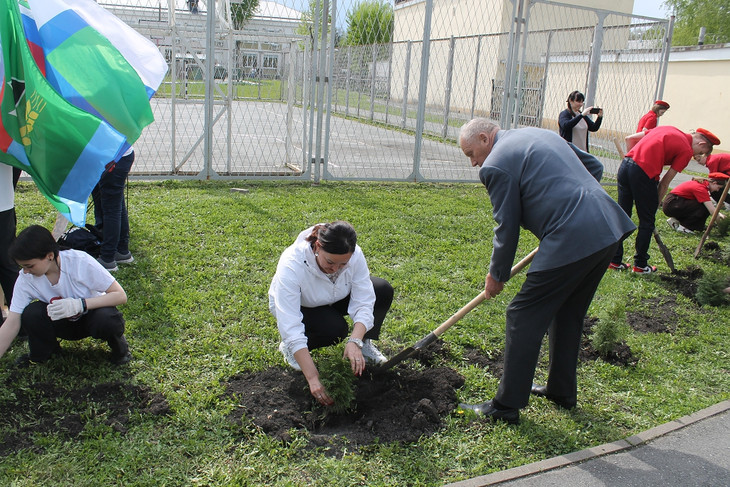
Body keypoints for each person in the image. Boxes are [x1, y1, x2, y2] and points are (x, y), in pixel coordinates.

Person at [456, 118, 635, 424]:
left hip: (572, 236)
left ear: (485, 138)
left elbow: (506, 226)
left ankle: (506, 405)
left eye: (471, 153)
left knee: (522, 315)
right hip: (606, 226)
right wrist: (569, 205)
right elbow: (593, 167)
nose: (473, 163)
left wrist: (496, 274)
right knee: (567, 312)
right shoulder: (536, 134)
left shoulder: (495, 165)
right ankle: (560, 391)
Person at [268, 221, 393, 406]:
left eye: (343, 264)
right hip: (305, 306)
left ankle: (364, 347)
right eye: (330, 262)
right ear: (318, 246)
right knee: (335, 330)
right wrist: (312, 378)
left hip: (335, 296)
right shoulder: (292, 263)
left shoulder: (355, 254)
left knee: (381, 290)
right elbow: (290, 323)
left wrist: (355, 340)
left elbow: (364, 300)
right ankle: (290, 349)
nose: (335, 269)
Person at [0, 225, 131, 366]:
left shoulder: (79, 261)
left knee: (107, 318)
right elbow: (12, 321)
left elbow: (120, 295)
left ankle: (120, 351)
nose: (25, 272)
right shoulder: (26, 279)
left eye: (30, 266)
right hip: (60, 322)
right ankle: (44, 353)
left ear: (50, 256)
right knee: (31, 313)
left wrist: (80, 304)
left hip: (91, 318)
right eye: (22, 267)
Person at [609, 126, 720, 273]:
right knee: (646, 222)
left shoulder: (668, 128)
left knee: (622, 216)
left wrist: (632, 161)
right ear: (702, 144)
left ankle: (614, 260)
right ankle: (640, 265)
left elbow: (630, 139)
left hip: (626, 165)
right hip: (644, 173)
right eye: (700, 152)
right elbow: (665, 183)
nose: (695, 155)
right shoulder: (686, 150)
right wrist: (654, 207)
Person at [91, 147, 135, 272]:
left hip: (113, 160)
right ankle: (122, 251)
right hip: (117, 157)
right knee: (117, 205)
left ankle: (107, 258)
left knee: (112, 209)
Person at [663, 173, 728, 233]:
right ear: (714, 183)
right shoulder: (701, 188)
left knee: (703, 206)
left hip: (675, 203)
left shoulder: (702, 184)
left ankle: (676, 220)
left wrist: (720, 215)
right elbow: (711, 210)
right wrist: (722, 226)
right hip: (672, 204)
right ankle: (685, 228)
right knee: (703, 207)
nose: (717, 190)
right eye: (718, 188)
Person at [0, 163, 18, 322]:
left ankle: (19, 320)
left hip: (3, 199)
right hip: (4, 198)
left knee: (8, 263)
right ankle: (19, 321)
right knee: (8, 262)